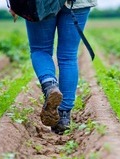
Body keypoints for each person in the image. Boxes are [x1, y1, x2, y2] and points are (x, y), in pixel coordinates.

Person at [25, 0, 97, 135]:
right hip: (77, 3)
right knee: (68, 56)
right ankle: (63, 116)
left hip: (41, 4)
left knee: (40, 50)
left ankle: (50, 85)